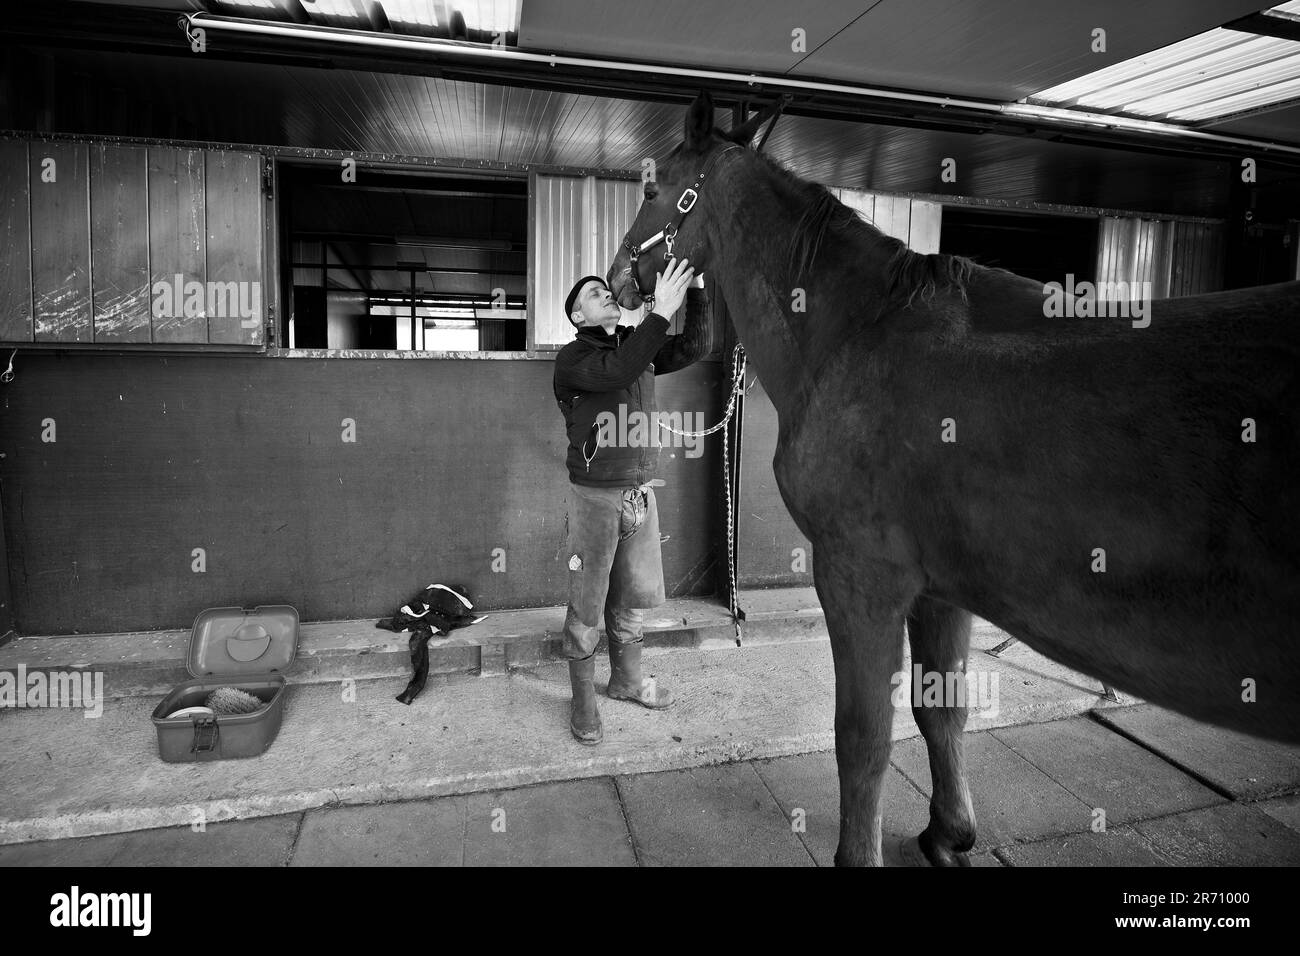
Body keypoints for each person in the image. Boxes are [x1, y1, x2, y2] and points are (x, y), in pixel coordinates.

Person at [552, 257, 711, 744]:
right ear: (578, 318)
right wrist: (660, 311)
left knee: (632, 599)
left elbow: (697, 345)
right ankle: (583, 704)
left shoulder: (635, 347)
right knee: (587, 606)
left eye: (606, 290)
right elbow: (617, 369)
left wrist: (698, 288)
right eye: (595, 294)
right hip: (594, 500)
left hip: (641, 494)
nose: (606, 294)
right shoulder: (575, 359)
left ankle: (625, 682)